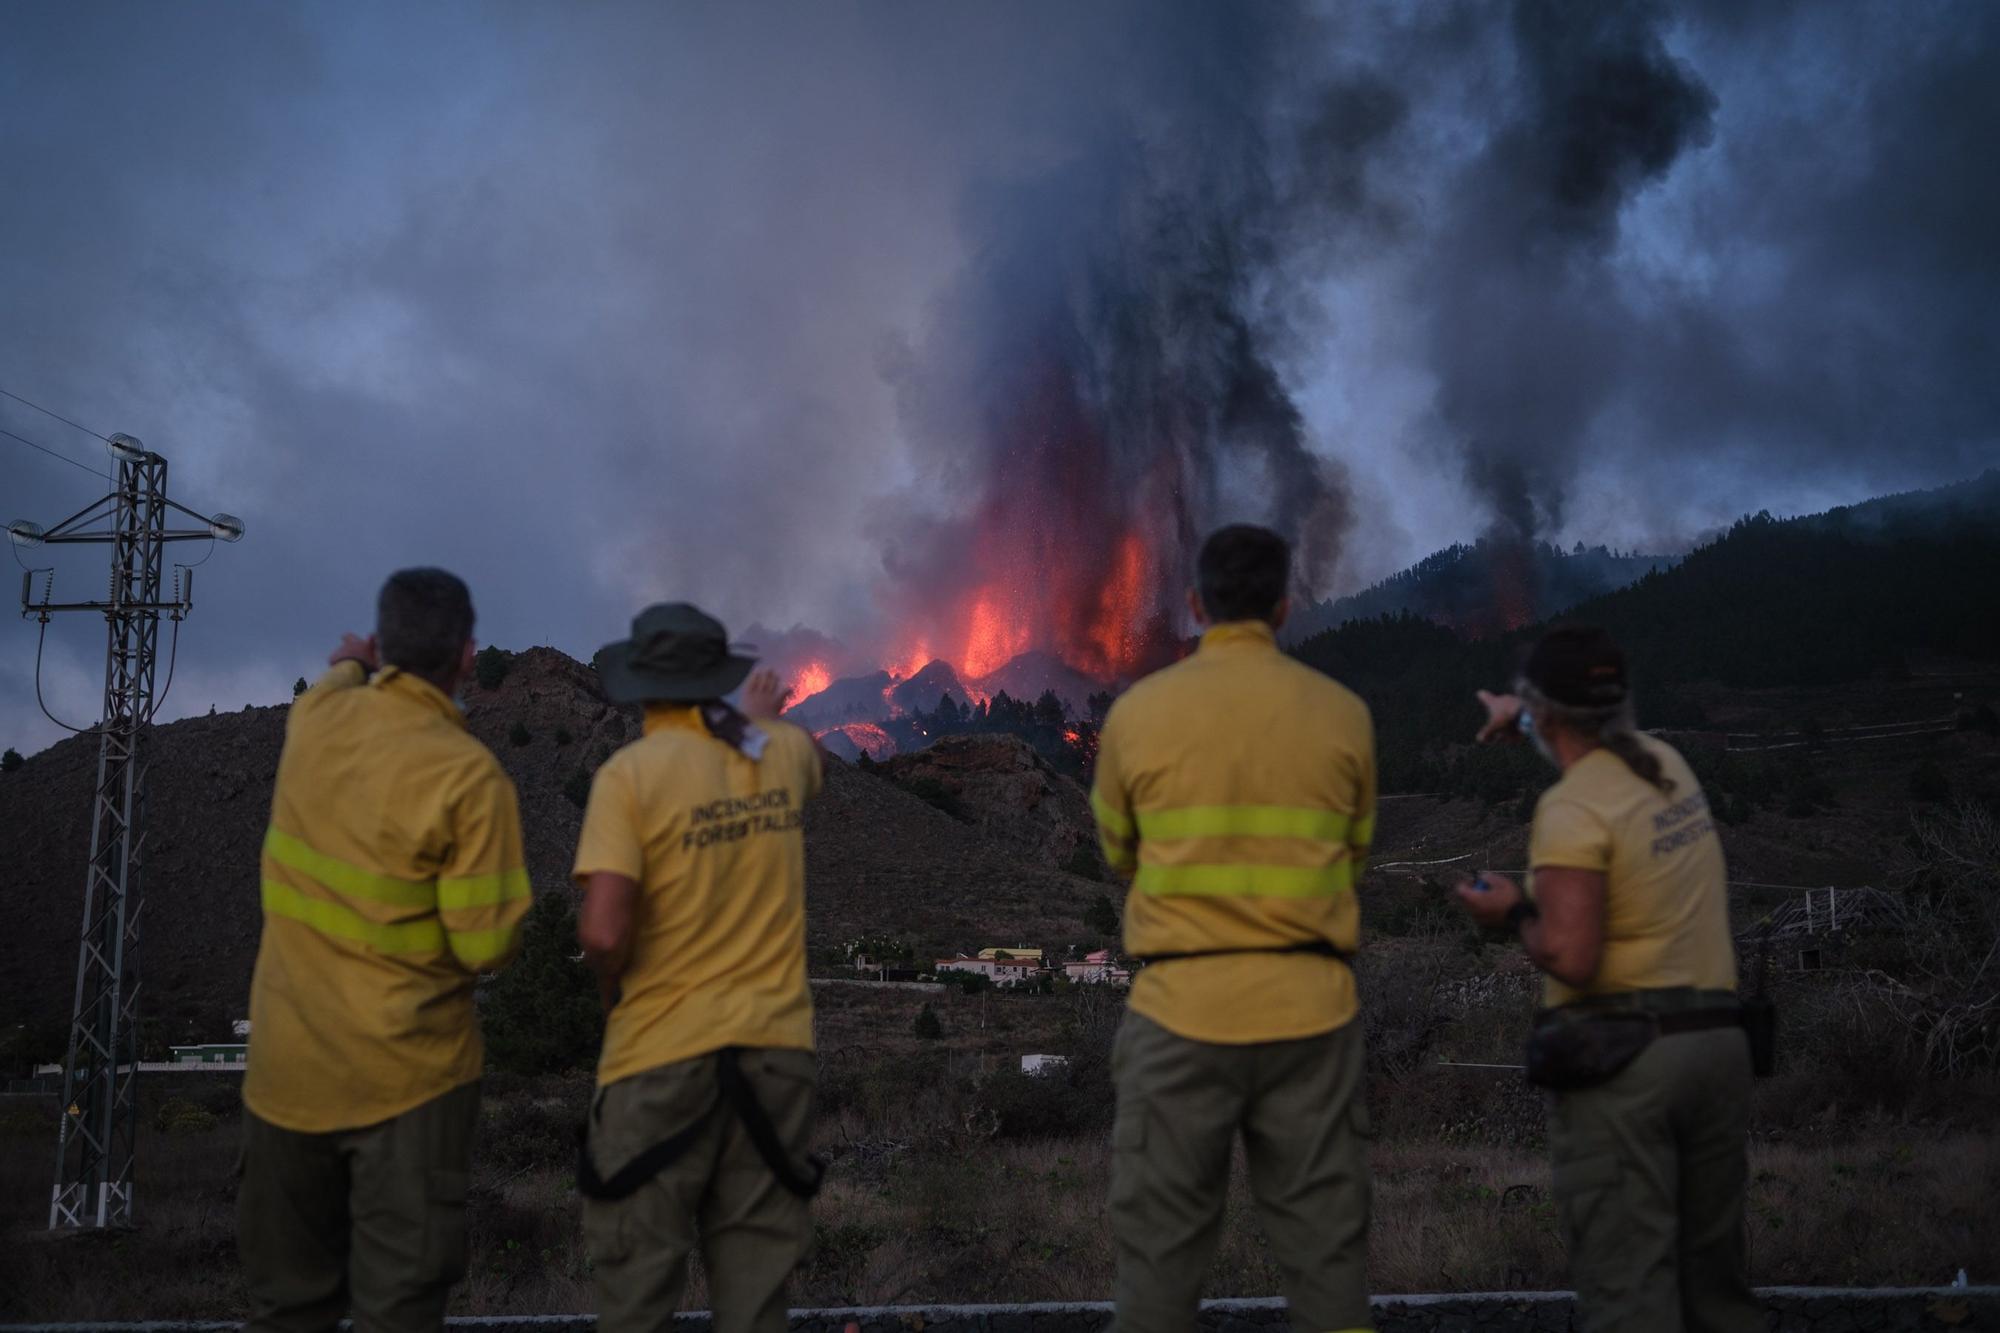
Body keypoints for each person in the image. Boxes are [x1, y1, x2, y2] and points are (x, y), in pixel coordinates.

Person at [1090, 525, 1377, 1333]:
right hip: (1312, 1018)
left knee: (1155, 1278)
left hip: (1180, 1013)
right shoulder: (1343, 715)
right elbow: (1352, 854)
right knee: (1331, 1274)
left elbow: (1118, 852)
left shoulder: (1138, 714)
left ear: (1194, 604)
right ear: (1284, 606)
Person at [239, 568, 533, 1333]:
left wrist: (349, 661)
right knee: (397, 1313)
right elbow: (489, 945)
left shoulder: (313, 718)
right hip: (407, 1091)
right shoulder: (470, 780)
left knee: (285, 1309)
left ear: (383, 647)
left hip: (285, 1083)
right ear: (469, 656)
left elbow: (338, 680)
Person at [1452, 625, 1759, 1333]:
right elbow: (1592, 752)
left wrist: (1510, 911)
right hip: (1717, 1049)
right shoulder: (1664, 763)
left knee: (1630, 1291)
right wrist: (1523, 715)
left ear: (1549, 713)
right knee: (1716, 1290)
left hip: (1630, 1069)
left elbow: (1571, 954)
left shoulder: (1571, 808)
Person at [573, 602, 826, 1333]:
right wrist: (749, 726)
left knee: (637, 1296)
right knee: (755, 1305)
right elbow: (809, 766)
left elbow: (603, 928)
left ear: (643, 683)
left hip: (658, 1060)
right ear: (718, 679)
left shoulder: (630, 776)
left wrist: (610, 996)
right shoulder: (775, 751)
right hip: (775, 1065)